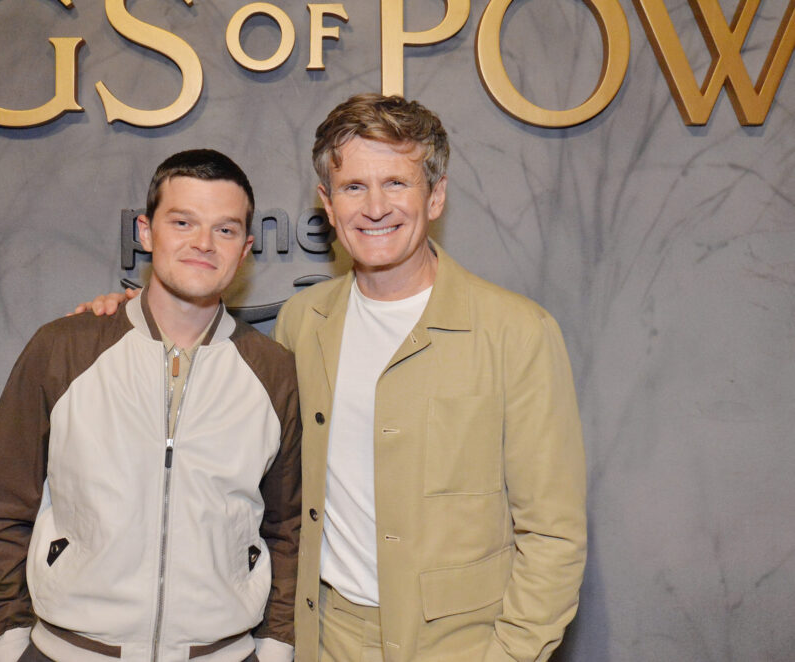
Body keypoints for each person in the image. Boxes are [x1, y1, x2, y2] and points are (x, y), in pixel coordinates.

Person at [80, 95, 587, 662]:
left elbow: (553, 536)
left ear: (436, 194)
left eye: (396, 183)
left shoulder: (516, 332)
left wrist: (510, 655)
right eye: (352, 187)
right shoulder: (303, 322)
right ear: (326, 202)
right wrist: (127, 312)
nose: (375, 207)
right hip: (328, 640)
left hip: (464, 646)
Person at [0, 149, 302, 662]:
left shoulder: (272, 370)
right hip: (70, 650)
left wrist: (275, 648)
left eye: (225, 230)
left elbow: (288, 525)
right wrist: (8, 642)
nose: (203, 244)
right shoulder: (64, 349)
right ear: (146, 231)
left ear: (246, 247)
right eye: (182, 222)